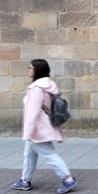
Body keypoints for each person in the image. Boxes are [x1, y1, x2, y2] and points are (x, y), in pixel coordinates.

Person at [11, 59, 78, 194]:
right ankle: (25, 180)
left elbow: (33, 113)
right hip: (42, 126)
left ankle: (68, 179)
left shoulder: (37, 88)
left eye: (30, 68)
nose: (28, 70)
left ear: (37, 70)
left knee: (49, 154)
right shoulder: (47, 84)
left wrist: (27, 132)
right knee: (29, 155)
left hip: (38, 129)